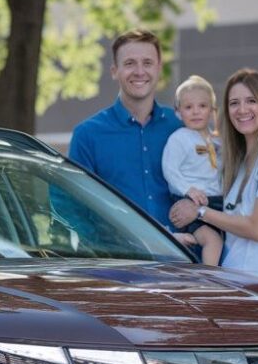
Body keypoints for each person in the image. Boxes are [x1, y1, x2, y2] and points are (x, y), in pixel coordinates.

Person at [169, 68, 258, 281]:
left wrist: (200, 212)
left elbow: (257, 228)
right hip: (231, 281)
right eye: (234, 103)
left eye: (251, 101)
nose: (242, 109)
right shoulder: (237, 161)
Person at [68, 29, 181, 226]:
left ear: (159, 69)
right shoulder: (87, 135)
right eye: (129, 63)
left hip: (185, 253)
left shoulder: (180, 125)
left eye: (147, 63)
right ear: (114, 71)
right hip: (121, 256)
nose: (139, 71)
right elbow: (73, 207)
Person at [161, 75, 224, 265]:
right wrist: (189, 190)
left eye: (202, 106)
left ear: (213, 111)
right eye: (188, 107)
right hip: (191, 201)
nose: (196, 112)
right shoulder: (179, 138)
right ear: (178, 112)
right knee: (213, 241)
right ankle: (209, 280)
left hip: (217, 202)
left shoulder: (218, 141)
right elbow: (170, 170)